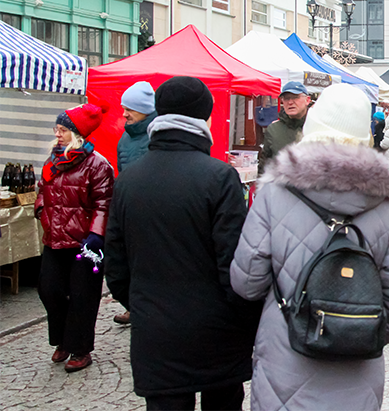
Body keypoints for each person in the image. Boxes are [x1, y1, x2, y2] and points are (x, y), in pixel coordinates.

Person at [230, 83, 389, 411]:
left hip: (284, 359)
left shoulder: (274, 194)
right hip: (356, 372)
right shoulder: (386, 207)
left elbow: (247, 282)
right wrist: (353, 329)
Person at [105, 76, 261, 410]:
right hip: (216, 330)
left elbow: (116, 265)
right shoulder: (219, 177)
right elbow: (235, 264)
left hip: (156, 330)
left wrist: (142, 303)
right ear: (204, 119)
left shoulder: (128, 181)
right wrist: (244, 320)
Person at [36, 102, 114, 373]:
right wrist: (40, 208)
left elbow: (104, 204)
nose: (57, 134)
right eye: (56, 129)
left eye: (62, 130)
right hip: (54, 239)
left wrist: (95, 235)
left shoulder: (97, 165)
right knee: (49, 290)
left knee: (83, 297)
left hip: (84, 244)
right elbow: (42, 190)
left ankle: (80, 348)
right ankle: (62, 339)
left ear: (76, 133)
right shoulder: (52, 161)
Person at [113, 81, 158, 326]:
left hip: (153, 211)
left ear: (144, 109)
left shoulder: (156, 135)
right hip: (130, 210)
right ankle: (132, 305)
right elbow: (121, 172)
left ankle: (147, 307)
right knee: (128, 261)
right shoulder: (125, 138)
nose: (124, 113)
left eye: (129, 108)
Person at [261, 81, 310, 170]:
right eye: (286, 98)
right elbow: (264, 165)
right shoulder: (274, 129)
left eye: (295, 97)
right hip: (281, 182)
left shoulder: (317, 126)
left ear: (308, 100)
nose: (290, 102)